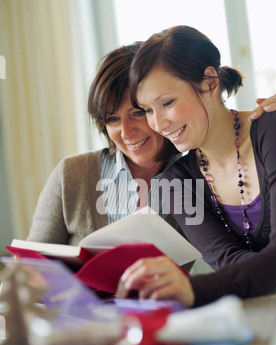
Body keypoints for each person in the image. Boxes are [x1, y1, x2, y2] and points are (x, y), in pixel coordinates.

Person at [118, 26, 276, 312]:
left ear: (210, 82)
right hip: (267, 325)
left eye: (167, 103)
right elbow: (227, 262)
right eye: (148, 110)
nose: (158, 124)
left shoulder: (274, 127)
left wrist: (192, 289)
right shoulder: (175, 184)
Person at [27, 43, 180, 246]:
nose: (126, 132)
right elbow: (30, 267)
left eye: (137, 113)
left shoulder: (196, 176)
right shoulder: (71, 174)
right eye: (113, 119)